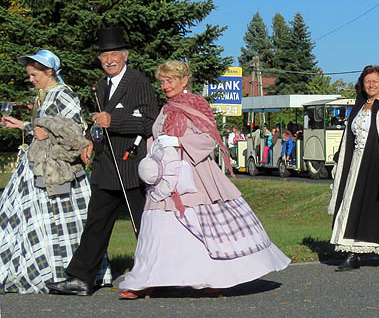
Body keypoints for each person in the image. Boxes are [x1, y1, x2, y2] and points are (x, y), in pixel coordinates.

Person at [116, 61, 290, 298]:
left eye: (170, 81)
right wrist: (155, 153)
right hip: (165, 177)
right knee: (156, 229)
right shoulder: (166, 108)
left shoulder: (198, 104)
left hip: (194, 174)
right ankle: (146, 280)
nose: (165, 86)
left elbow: (209, 138)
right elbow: (157, 136)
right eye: (162, 82)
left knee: (202, 228)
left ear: (184, 80)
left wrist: (179, 142)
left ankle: (214, 277)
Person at [48, 27, 159, 296]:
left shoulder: (138, 82)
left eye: (114, 55)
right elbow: (99, 122)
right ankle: (80, 279)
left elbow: (150, 123)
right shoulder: (100, 85)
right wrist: (89, 141)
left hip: (131, 167)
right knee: (95, 225)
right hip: (105, 168)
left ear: (125, 56)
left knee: (143, 226)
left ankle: (156, 276)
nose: (109, 60)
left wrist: (115, 121)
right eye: (104, 55)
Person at [0, 50, 111, 293]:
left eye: (34, 74)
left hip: (57, 168)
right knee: (17, 216)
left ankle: (60, 271)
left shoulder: (64, 94)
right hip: (37, 164)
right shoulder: (45, 95)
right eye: (29, 75)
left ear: (49, 71)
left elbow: (73, 131)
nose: (30, 79)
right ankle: (34, 267)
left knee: (55, 221)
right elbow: (43, 130)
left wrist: (45, 131)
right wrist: (20, 125)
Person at [328, 65, 379, 271]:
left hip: (378, 163)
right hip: (356, 163)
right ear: (362, 85)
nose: (371, 85)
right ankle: (352, 254)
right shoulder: (358, 107)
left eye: (375, 81)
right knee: (351, 206)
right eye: (367, 81)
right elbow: (349, 138)